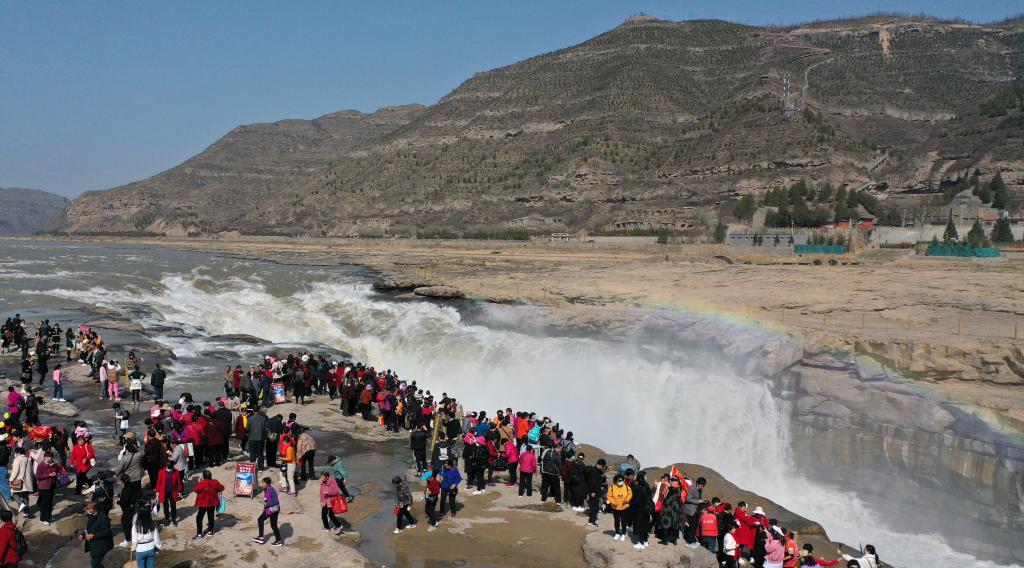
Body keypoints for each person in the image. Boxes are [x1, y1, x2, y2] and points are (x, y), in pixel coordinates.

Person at [193, 470, 225, 539]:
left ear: (204, 476)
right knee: (211, 517)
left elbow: (196, 490)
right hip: (212, 503)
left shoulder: (202, 483)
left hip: (203, 504)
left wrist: (199, 482)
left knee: (199, 518)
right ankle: (210, 531)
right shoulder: (215, 482)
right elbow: (222, 487)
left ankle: (199, 535)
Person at [252, 477, 283, 546]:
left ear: (268, 484)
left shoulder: (271, 490)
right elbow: (266, 499)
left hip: (273, 510)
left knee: (273, 526)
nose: (262, 484)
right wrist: (265, 506)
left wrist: (267, 504)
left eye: (264, 483)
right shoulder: (266, 489)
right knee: (260, 520)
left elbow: (276, 501)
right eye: (262, 483)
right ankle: (261, 538)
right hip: (268, 510)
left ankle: (279, 541)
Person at [83, 502, 114, 568]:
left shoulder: (103, 518)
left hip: (102, 544)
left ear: (94, 509)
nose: (87, 510)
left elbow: (106, 532)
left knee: (95, 563)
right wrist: (83, 535)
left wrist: (93, 536)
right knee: (95, 562)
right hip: (94, 545)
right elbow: (89, 528)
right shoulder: (91, 516)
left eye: (89, 509)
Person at [131, 502, 161, 568]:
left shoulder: (135, 526)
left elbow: (134, 540)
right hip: (151, 549)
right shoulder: (152, 524)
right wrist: (158, 547)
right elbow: (156, 537)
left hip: (140, 550)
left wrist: (133, 548)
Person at [117, 473, 142, 548]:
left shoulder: (126, 490)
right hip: (135, 509)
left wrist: (118, 501)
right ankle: (136, 539)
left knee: (126, 525)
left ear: (122, 481)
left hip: (128, 511)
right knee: (134, 525)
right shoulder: (134, 486)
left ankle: (128, 540)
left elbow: (124, 502)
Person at [606, 473, 632, 541]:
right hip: (615, 507)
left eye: (622, 480)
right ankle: (617, 533)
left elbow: (630, 494)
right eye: (619, 480)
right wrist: (613, 502)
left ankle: (623, 534)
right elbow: (609, 496)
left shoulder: (626, 487)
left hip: (624, 507)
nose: (621, 482)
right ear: (616, 481)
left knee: (623, 521)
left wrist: (627, 499)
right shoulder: (612, 487)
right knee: (616, 521)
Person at [34, 451, 58, 525]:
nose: (48, 458)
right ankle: (43, 519)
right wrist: (48, 475)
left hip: (51, 485)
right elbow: (38, 476)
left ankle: (49, 516)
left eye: (50, 457)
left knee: (50, 502)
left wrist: (55, 473)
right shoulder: (41, 464)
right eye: (46, 457)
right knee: (45, 503)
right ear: (44, 457)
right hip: (44, 486)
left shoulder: (52, 464)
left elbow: (55, 471)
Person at [630, 470, 653, 549]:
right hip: (647, 510)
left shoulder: (639, 488)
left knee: (640, 527)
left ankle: (641, 543)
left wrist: (633, 507)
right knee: (645, 526)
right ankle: (646, 541)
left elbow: (637, 501)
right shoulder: (647, 486)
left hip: (640, 510)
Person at [155, 463, 180, 527]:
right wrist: (157, 491)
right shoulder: (161, 472)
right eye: (168, 469)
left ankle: (173, 519)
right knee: (165, 506)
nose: (169, 470)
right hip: (164, 492)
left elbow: (178, 481)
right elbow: (159, 482)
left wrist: (179, 491)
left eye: (171, 469)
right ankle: (167, 519)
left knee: (173, 506)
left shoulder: (176, 471)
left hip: (173, 492)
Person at [584, 458, 607, 526]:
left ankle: (593, 518)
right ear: (599, 465)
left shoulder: (598, 471)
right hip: (593, 492)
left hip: (596, 491)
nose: (603, 468)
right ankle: (591, 521)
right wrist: (592, 492)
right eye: (602, 466)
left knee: (595, 506)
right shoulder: (594, 471)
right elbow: (592, 482)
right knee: (594, 507)